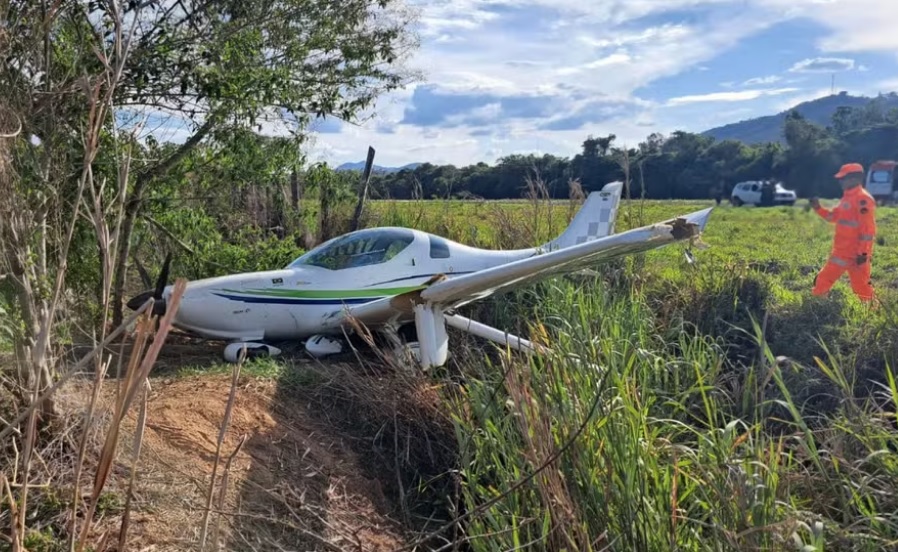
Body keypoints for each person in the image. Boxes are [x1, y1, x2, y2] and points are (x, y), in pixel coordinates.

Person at [810, 163, 877, 302]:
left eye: (843, 178)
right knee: (823, 280)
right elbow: (833, 217)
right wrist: (818, 208)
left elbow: (868, 230)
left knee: (861, 287)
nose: (841, 181)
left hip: (856, 255)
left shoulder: (863, 199)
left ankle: (872, 312)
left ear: (855, 178)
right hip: (841, 252)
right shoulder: (847, 198)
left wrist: (863, 254)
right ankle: (816, 308)